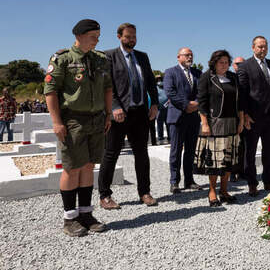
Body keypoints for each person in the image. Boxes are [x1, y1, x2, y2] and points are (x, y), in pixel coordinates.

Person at [44, 19, 112, 237]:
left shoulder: (100, 59)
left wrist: (108, 114)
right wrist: (56, 122)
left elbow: (108, 88)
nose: (97, 40)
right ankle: (69, 217)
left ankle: (86, 213)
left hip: (96, 119)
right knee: (72, 168)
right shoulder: (62, 58)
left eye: (98, 36)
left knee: (88, 166)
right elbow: (51, 91)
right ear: (80, 35)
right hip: (72, 120)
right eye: (94, 36)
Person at [99, 23, 159, 210]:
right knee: (111, 153)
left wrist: (154, 104)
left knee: (142, 154)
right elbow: (107, 84)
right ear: (119, 37)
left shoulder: (142, 56)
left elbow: (150, 82)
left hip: (140, 112)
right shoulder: (109, 56)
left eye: (134, 36)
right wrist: (115, 106)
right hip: (119, 113)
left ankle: (145, 192)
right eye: (128, 36)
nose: (132, 39)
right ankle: (105, 195)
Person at [196, 50, 245, 206]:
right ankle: (212, 191)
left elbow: (240, 101)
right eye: (221, 62)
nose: (224, 65)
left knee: (229, 159)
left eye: (226, 62)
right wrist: (204, 123)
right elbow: (202, 102)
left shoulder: (233, 77)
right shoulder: (207, 77)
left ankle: (224, 191)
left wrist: (241, 121)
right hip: (215, 123)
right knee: (215, 160)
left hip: (232, 122)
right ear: (214, 63)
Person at [238, 36, 270, 196]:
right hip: (253, 118)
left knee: (269, 152)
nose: (262, 49)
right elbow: (242, 94)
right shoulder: (245, 66)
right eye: (259, 46)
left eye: (265, 46)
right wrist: (244, 115)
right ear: (253, 47)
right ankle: (252, 182)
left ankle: (268, 180)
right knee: (250, 153)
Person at [163, 47, 203, 193]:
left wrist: (196, 104)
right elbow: (170, 93)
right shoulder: (170, 72)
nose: (190, 57)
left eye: (191, 55)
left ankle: (189, 180)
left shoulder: (197, 73)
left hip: (193, 117)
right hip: (177, 117)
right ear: (178, 57)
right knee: (176, 150)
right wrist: (186, 105)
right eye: (187, 55)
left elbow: (203, 91)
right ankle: (174, 182)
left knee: (191, 151)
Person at [230, 55, 247, 182]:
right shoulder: (228, 78)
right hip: (231, 117)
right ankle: (231, 172)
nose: (239, 66)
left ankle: (242, 171)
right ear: (233, 65)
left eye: (242, 64)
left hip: (246, 117)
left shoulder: (249, 77)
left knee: (243, 146)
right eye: (237, 64)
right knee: (231, 146)